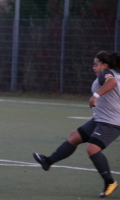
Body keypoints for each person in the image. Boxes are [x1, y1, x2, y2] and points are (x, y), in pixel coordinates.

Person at [33, 51, 120, 198]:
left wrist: (95, 96)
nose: (93, 68)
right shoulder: (111, 73)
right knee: (74, 137)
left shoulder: (106, 74)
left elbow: (112, 83)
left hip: (111, 122)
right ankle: (48, 162)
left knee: (92, 149)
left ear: (104, 65)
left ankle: (110, 182)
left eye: (96, 64)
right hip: (100, 119)